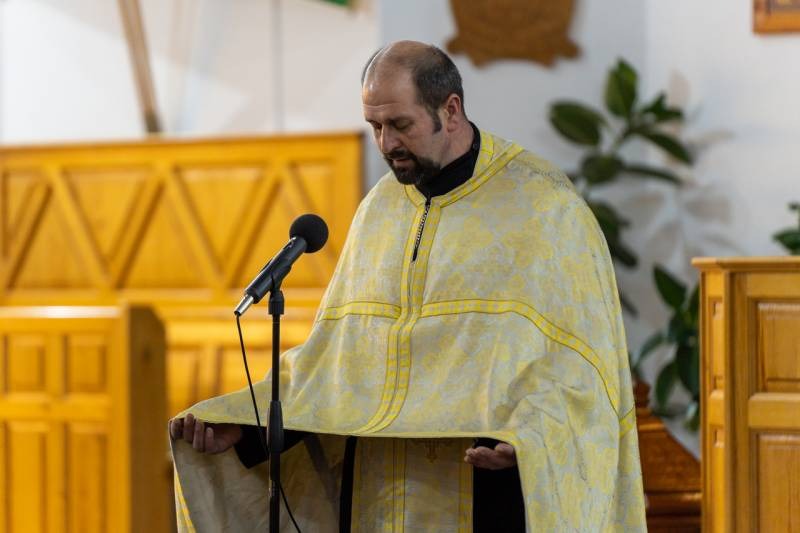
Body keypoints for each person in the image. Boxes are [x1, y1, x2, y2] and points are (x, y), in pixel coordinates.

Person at [170, 40, 646, 532]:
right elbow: (338, 361)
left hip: (484, 489)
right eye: (374, 126)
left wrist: (529, 441)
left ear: (451, 110)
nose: (386, 144)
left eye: (400, 124)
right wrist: (248, 427)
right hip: (379, 491)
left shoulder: (544, 206)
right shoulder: (379, 209)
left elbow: (584, 373)